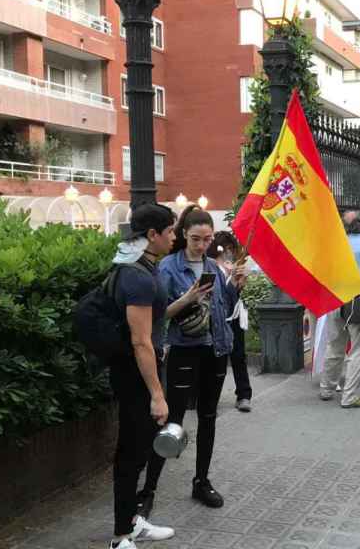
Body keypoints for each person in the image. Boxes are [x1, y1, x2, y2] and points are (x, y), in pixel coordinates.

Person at [136, 209, 245, 517]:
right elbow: (158, 315)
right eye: (196, 239)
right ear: (184, 234)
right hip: (185, 348)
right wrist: (188, 298)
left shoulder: (213, 266)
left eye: (207, 239)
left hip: (216, 349)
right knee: (173, 419)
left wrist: (236, 285)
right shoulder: (169, 268)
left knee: (209, 417)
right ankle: (148, 490)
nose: (201, 245)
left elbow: (225, 307)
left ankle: (201, 481)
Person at [108, 204, 178, 549]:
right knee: (131, 455)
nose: (174, 237)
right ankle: (121, 536)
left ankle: (132, 522)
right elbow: (140, 340)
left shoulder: (141, 267)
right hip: (136, 376)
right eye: (170, 231)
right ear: (153, 235)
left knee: (139, 451)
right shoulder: (135, 275)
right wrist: (157, 394)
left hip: (142, 373)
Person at [319, 210, 360, 408]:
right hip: (359, 300)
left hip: (335, 299)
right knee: (359, 349)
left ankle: (326, 389)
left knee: (334, 345)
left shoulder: (336, 245)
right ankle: (349, 396)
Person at [207, 231, 253, 412]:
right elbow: (220, 296)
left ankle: (244, 394)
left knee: (239, 357)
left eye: (230, 249)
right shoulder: (210, 267)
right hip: (217, 319)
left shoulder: (234, 266)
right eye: (224, 249)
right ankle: (210, 397)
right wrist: (233, 281)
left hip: (233, 318)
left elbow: (234, 295)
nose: (228, 253)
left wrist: (241, 281)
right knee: (215, 361)